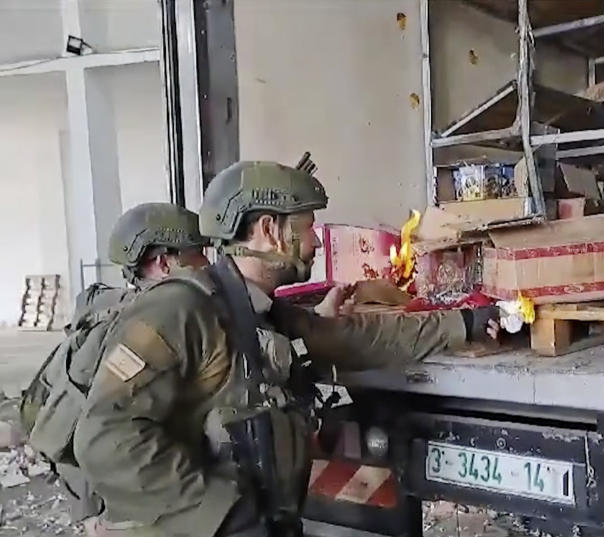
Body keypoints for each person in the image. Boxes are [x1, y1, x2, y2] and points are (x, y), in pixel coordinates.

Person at [74, 161, 499, 537]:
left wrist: (463, 323)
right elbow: (105, 440)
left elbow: (353, 339)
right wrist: (225, 518)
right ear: (269, 231)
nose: (315, 242)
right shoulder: (181, 310)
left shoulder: (258, 311)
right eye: (307, 227)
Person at [19, 203, 211, 536]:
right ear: (163, 263)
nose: (207, 265)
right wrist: (93, 516)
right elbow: (83, 427)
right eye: (197, 255)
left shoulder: (158, 314)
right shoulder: (129, 330)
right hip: (115, 501)